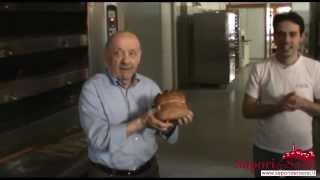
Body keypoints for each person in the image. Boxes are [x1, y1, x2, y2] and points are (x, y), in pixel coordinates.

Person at [79, 31, 193, 177]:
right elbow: (98, 139)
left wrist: (172, 124)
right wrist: (141, 122)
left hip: (149, 171)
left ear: (139, 57)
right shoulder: (92, 89)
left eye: (132, 53)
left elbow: (170, 137)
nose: (126, 61)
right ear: (107, 58)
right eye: (118, 53)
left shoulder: (150, 87)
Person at [242, 11, 320, 177]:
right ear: (274, 36)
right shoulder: (260, 69)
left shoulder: (314, 68)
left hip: (302, 150)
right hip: (266, 149)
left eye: (292, 34)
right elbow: (247, 110)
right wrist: (278, 107)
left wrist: (302, 103)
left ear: (302, 36)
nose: (286, 40)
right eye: (281, 34)